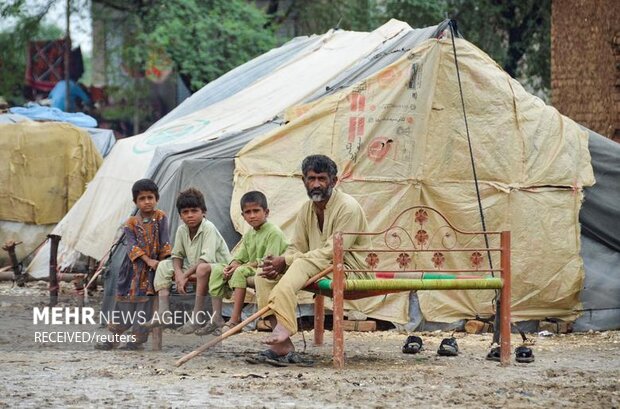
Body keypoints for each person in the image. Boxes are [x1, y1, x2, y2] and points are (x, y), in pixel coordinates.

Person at [253, 154, 373, 364]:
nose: (316, 184)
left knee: (299, 262)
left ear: (333, 181)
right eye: (311, 179)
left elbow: (332, 252)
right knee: (263, 275)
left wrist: (289, 261)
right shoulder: (306, 209)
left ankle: (286, 325)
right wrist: (280, 261)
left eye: (322, 178)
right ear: (304, 181)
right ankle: (282, 345)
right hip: (317, 266)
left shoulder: (348, 207)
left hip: (350, 269)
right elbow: (296, 246)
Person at [95, 178, 172, 350]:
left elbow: (165, 241)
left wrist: (163, 263)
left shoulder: (161, 217)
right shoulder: (130, 222)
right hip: (131, 269)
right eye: (142, 199)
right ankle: (114, 338)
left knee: (144, 305)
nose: (147, 202)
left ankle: (137, 340)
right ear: (135, 202)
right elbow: (132, 246)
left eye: (150, 197)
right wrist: (148, 260)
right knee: (124, 302)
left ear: (157, 198)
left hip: (152, 270)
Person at [203, 191, 288, 335]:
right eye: (248, 212)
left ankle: (235, 319)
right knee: (218, 269)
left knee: (240, 271)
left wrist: (240, 267)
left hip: (269, 270)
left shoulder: (273, 232)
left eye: (256, 211)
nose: (252, 215)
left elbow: (269, 262)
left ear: (266, 212)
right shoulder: (250, 234)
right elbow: (240, 256)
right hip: (251, 268)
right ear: (243, 216)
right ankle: (217, 317)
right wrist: (232, 265)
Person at [149, 188, 231, 334]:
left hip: (217, 265)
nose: (190, 215)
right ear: (180, 215)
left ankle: (196, 316)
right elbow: (177, 255)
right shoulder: (182, 230)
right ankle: (164, 312)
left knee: (201, 268)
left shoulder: (208, 228)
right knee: (163, 266)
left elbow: (206, 259)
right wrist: (179, 274)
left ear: (203, 211)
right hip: (194, 265)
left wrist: (184, 275)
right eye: (185, 212)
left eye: (194, 211)